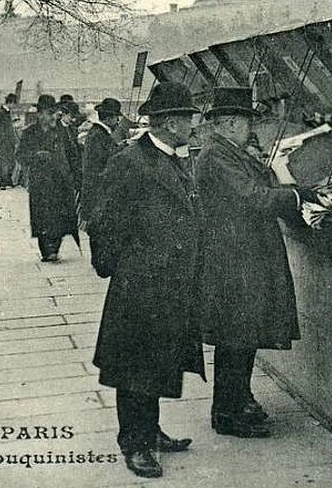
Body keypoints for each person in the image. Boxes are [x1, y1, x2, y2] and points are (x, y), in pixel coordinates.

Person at [87, 82, 204, 479]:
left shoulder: (171, 157)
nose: (193, 123)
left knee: (156, 360)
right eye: (189, 117)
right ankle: (133, 443)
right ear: (170, 122)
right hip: (140, 285)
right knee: (135, 365)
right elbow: (101, 221)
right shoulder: (131, 161)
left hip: (168, 284)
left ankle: (150, 430)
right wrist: (125, 270)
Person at [194, 86, 317, 438]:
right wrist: (295, 195)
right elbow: (252, 197)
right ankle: (227, 414)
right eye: (248, 121)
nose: (251, 128)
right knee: (235, 338)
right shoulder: (216, 155)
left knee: (243, 336)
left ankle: (240, 399)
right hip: (234, 260)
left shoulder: (228, 150)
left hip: (243, 256)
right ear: (231, 122)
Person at [17, 95, 79, 262]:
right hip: (41, 183)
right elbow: (20, 156)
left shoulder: (61, 131)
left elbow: (72, 154)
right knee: (43, 217)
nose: (53, 116)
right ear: (39, 114)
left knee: (59, 216)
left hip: (61, 182)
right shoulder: (29, 133)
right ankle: (47, 250)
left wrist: (75, 176)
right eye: (49, 113)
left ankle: (54, 247)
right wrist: (36, 155)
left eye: (54, 112)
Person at [79, 98, 122, 227]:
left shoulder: (97, 133)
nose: (118, 122)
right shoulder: (99, 136)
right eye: (116, 118)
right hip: (98, 190)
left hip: (95, 189)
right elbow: (106, 160)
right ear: (109, 119)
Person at [0, 93, 19, 189]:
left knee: (10, 161)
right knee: (2, 162)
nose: (14, 106)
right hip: (3, 142)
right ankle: (2, 183)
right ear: (10, 102)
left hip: (9, 142)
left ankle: (8, 180)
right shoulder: (0, 113)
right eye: (14, 104)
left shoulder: (6, 112)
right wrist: (4, 139)